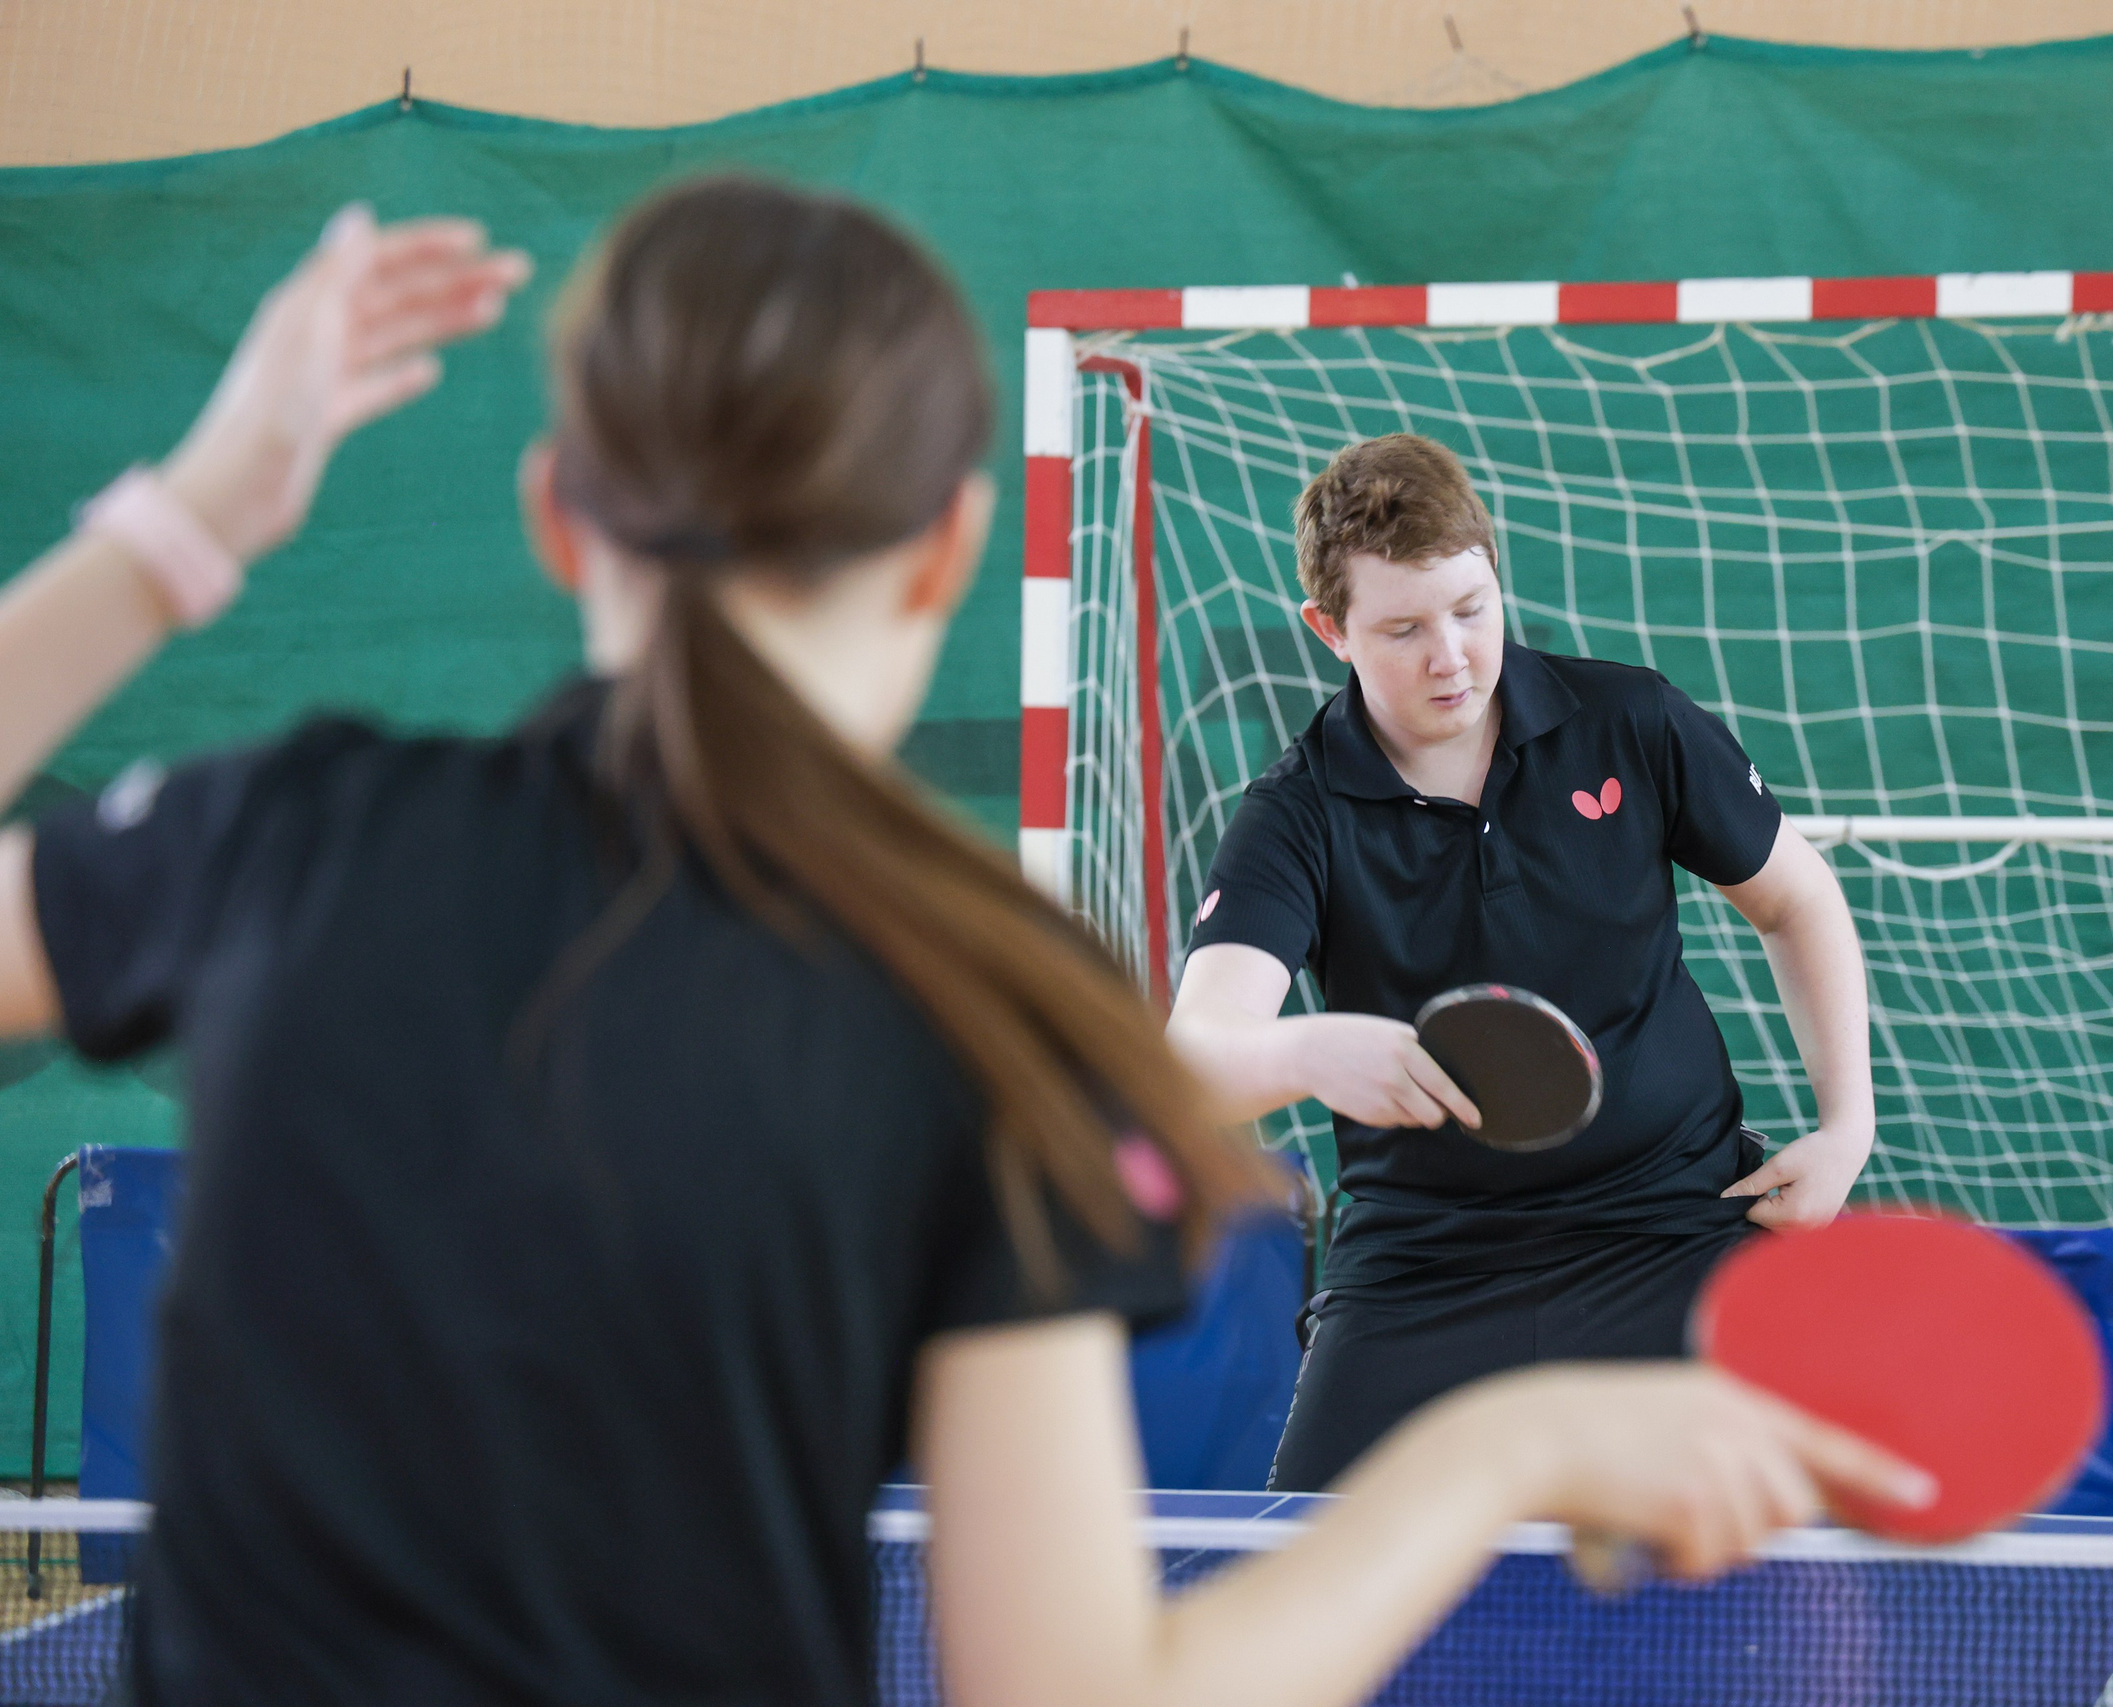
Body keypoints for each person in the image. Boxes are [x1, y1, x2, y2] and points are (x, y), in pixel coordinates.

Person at [0, 179, 1926, 1705]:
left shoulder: (285, 833)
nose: (1452, 648)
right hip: (1428, 1286)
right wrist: (1497, 1461)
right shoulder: (981, 1022)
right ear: (947, 546)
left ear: (556, 519)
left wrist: (186, 528)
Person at [1167, 433, 1880, 1492]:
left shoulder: (1629, 722)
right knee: (1308, 1578)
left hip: (1674, 1227)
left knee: (1790, 1573)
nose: (1449, 655)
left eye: (1469, 608)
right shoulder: (1295, 815)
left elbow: (1796, 899)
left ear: (1496, 574)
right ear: (1330, 630)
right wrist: (1314, 1048)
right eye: (1403, 629)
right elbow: (1194, 1057)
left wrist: (1847, 1129)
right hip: (1427, 1265)